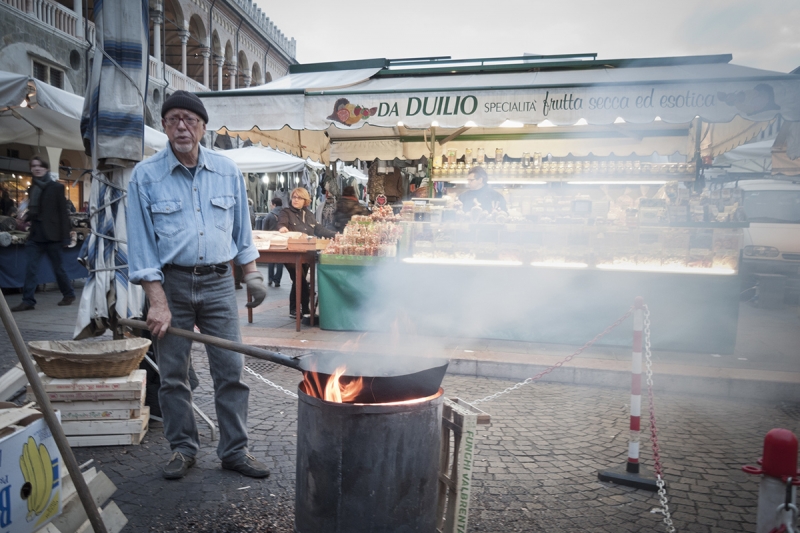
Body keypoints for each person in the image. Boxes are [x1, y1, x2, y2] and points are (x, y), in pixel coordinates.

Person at [126, 90, 270, 481]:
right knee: (173, 375)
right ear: (164, 126)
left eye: (189, 119)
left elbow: (242, 232)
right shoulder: (145, 176)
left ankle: (235, 451)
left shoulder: (227, 171)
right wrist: (156, 301)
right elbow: (141, 247)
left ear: (204, 127)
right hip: (171, 285)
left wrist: (252, 273)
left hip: (220, 284)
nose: (181, 126)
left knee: (231, 371)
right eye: (173, 119)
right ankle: (183, 449)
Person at [11, 156, 75, 312]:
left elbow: (62, 213)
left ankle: (68, 294)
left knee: (58, 268)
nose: (37, 168)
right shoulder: (33, 188)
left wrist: (66, 236)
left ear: (46, 169)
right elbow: (36, 210)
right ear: (31, 169)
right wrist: (26, 216)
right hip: (36, 235)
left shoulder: (56, 187)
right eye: (33, 166)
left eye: (40, 166)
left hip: (53, 235)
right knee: (31, 268)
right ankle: (28, 301)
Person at [278, 187, 335, 318]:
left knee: (299, 279)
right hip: (291, 254)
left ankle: (294, 309)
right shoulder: (285, 212)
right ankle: (305, 309)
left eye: (299, 197)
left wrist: (335, 235)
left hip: (307, 253)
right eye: (294, 197)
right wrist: (282, 228)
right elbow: (281, 224)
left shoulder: (309, 215)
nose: (295, 200)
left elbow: (319, 229)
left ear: (306, 200)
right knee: (300, 279)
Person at [263, 197, 284, 287]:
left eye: (271, 204)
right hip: (282, 240)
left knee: (271, 260)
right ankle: (277, 280)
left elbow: (264, 229)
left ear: (274, 204)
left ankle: (270, 279)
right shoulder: (285, 214)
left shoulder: (269, 215)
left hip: (271, 241)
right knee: (280, 261)